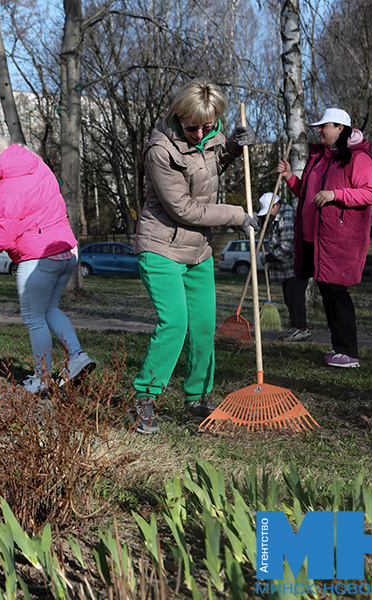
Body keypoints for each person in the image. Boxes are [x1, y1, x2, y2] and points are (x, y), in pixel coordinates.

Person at [131, 78, 259, 434]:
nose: (200, 133)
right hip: (161, 246)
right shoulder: (159, 150)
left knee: (203, 326)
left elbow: (210, 164)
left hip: (198, 249)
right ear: (178, 116)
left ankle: (197, 397)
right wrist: (237, 215)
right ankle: (143, 398)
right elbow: (184, 208)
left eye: (209, 126)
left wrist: (231, 146)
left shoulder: (210, 133)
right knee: (175, 323)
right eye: (192, 127)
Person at [0, 133, 96, 395]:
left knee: (34, 318)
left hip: (37, 258)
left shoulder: (8, 186)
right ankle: (77, 356)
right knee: (50, 309)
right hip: (66, 252)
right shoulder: (36, 165)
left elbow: (2, 236)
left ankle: (42, 378)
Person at [277, 108, 372, 368]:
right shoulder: (319, 158)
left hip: (339, 238)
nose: (319, 130)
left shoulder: (357, 158)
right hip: (314, 239)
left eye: (325, 126)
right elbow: (308, 193)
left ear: (340, 129)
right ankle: (339, 349)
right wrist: (290, 177)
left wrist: (337, 194)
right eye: (319, 127)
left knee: (335, 292)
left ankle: (348, 353)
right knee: (327, 290)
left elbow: (369, 193)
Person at [257, 192, 310, 341]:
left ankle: (301, 328)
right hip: (287, 268)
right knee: (289, 297)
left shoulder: (286, 216)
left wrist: (269, 257)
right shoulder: (276, 216)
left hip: (297, 264)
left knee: (295, 296)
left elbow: (287, 248)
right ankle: (295, 327)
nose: (268, 216)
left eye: (269, 212)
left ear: (277, 205)